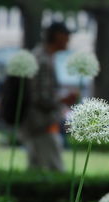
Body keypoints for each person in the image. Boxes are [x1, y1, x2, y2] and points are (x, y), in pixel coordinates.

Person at [20, 22, 70, 171]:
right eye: (67, 37)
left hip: (35, 125)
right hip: (41, 125)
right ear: (58, 37)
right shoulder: (42, 60)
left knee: (35, 168)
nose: (68, 41)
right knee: (55, 169)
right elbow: (41, 97)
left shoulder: (42, 56)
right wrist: (63, 100)